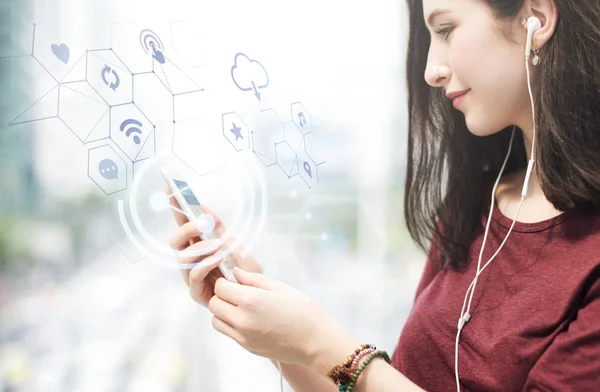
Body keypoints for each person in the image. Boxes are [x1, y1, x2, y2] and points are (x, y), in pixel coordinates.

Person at [167, 0, 600, 390]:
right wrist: (276, 333)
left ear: (536, 18)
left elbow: (356, 371)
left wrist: (325, 344)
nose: (432, 69)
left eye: (446, 30)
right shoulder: (474, 208)